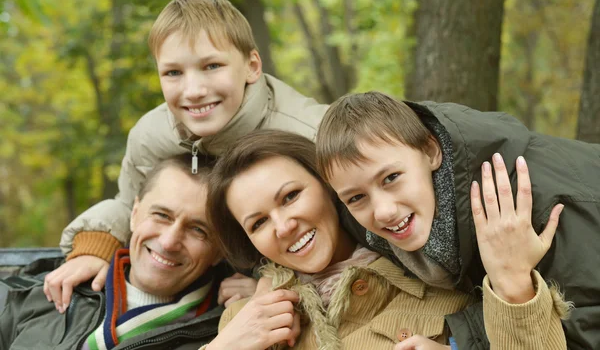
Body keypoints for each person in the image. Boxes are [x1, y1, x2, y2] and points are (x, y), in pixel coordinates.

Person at [45, 0, 328, 310]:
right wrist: (96, 246)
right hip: (200, 275)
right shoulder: (151, 136)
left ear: (251, 66)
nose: (194, 91)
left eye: (212, 66)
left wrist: (278, 281)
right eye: (174, 73)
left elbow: (355, 230)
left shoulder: (309, 134)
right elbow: (131, 205)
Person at [202, 130, 566, 350]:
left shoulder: (439, 275)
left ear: (330, 187)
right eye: (259, 222)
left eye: (291, 196)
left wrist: (514, 283)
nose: (282, 226)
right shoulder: (243, 320)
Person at [314, 91, 598, 348]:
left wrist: (508, 284)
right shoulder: (364, 219)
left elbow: (582, 334)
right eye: (356, 198)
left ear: (431, 151)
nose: (383, 211)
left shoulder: (534, 209)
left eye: (391, 178)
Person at [0, 156, 256, 350]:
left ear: (220, 250)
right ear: (134, 214)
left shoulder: (233, 333)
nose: (169, 242)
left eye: (198, 230)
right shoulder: (38, 290)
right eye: (161, 215)